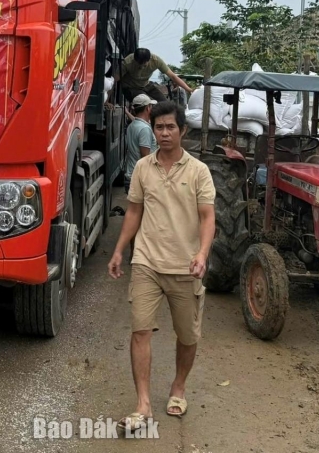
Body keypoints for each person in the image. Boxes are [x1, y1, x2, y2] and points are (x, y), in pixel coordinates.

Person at [108, 101, 215, 431]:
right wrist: (119, 250)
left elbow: (207, 217)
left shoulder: (198, 171)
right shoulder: (143, 168)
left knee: (187, 335)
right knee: (140, 330)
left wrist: (202, 254)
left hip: (185, 267)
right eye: (159, 127)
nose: (164, 133)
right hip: (147, 262)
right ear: (152, 130)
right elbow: (134, 211)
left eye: (170, 127)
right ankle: (143, 405)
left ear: (183, 130)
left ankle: (178, 387)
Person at [116, 48, 192, 104]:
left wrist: (189, 89)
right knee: (146, 102)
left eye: (144, 65)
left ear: (149, 60)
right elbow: (113, 80)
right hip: (131, 87)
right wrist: (108, 101)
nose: (141, 67)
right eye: (139, 65)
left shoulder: (156, 61)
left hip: (146, 85)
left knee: (165, 103)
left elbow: (173, 76)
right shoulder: (127, 62)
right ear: (135, 60)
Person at [125, 94, 157, 192]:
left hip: (133, 174)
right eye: (151, 106)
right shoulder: (144, 129)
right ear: (147, 108)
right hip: (141, 178)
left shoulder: (132, 125)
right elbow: (145, 157)